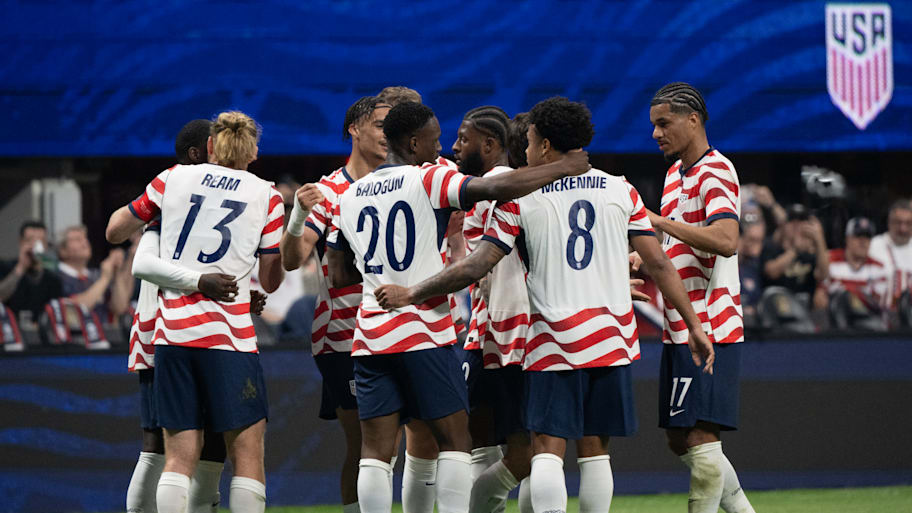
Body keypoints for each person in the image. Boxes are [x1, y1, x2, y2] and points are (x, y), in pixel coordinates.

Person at [373, 96, 714, 513]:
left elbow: (479, 264)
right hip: (611, 339)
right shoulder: (619, 188)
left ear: (547, 146)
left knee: (546, 448)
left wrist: (413, 292)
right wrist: (695, 325)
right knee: (595, 451)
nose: (527, 151)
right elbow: (659, 262)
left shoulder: (522, 198)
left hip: (553, 339)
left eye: (531, 142)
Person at [324, 100, 590, 513]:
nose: (442, 147)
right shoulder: (428, 178)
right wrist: (563, 168)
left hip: (371, 336)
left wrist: (383, 273)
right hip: (423, 332)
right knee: (454, 441)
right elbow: (494, 187)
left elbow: (339, 273)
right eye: (435, 139)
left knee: (375, 452)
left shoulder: (350, 194)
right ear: (414, 143)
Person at [107, 111, 285, 513]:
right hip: (228, 338)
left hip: (171, 334)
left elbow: (115, 231)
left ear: (214, 145)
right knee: (247, 453)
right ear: (250, 149)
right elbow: (271, 279)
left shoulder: (171, 179)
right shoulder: (267, 194)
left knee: (177, 456)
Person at [118, 118, 241, 513]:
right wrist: (199, 281)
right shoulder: (171, 193)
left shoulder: (229, 200)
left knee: (216, 436)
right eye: (216, 143)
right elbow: (122, 240)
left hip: (212, 331)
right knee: (158, 440)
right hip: (161, 328)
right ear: (196, 154)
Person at [646, 82, 755, 513]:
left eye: (663, 123)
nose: (656, 133)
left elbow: (726, 240)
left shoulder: (717, 170)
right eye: (654, 125)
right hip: (681, 326)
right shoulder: (676, 173)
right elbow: (680, 246)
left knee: (699, 437)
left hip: (712, 324)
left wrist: (657, 222)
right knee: (680, 437)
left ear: (693, 119)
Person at [280, 95, 392, 513]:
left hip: (400, 330)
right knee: (367, 445)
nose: (386, 135)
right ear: (355, 129)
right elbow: (292, 260)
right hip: (344, 336)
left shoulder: (402, 182)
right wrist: (296, 216)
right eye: (380, 125)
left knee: (405, 445)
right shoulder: (328, 191)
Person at [450, 105, 533, 513]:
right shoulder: (502, 184)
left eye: (463, 139)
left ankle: (477, 505)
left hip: (505, 330)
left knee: (518, 446)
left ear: (490, 144)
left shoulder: (498, 184)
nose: (454, 146)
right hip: (499, 328)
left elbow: (480, 265)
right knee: (497, 440)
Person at [56, 225, 134, 324]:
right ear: (63, 251)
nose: (84, 242)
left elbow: (120, 307)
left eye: (85, 238)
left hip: (105, 335)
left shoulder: (95, 275)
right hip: (76, 337)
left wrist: (116, 272)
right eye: (77, 239)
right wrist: (105, 278)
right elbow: (76, 310)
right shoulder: (56, 278)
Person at [761, 204, 830, 310]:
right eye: (792, 220)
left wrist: (819, 240)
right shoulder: (772, 246)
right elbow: (771, 272)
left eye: (802, 220)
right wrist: (795, 251)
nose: (797, 225)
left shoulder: (810, 253)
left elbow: (823, 274)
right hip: (775, 311)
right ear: (784, 225)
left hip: (803, 312)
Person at [820, 217, 888, 316]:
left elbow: (878, 304)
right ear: (847, 238)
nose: (863, 241)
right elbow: (820, 298)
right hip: (835, 321)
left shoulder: (878, 268)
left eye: (867, 237)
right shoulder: (830, 259)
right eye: (858, 236)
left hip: (866, 322)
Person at [0, 221, 63, 321]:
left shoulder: (53, 279)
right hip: (11, 331)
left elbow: (58, 313)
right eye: (30, 240)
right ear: (21, 242)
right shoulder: (5, 267)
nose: (34, 245)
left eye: (40, 241)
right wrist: (20, 268)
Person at [868, 199, 912, 309]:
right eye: (898, 223)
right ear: (889, 222)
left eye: (908, 223)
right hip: (880, 314)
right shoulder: (873, 246)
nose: (903, 229)